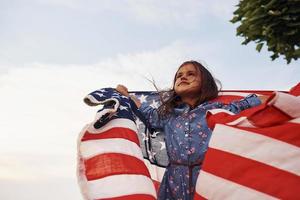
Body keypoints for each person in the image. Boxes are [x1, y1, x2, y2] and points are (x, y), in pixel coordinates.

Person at [116, 60, 267, 200]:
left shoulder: (218, 109)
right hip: (174, 182)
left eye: (191, 74)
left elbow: (251, 103)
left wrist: (279, 100)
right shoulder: (169, 115)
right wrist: (127, 96)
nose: (183, 77)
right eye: (179, 76)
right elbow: (147, 113)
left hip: (209, 178)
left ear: (205, 82)